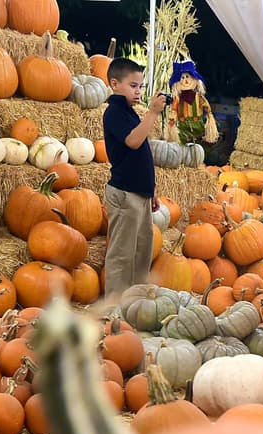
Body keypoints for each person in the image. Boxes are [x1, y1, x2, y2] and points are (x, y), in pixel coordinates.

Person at [102, 57, 167, 301]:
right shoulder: (114, 112)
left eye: (140, 86)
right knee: (122, 253)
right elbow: (133, 141)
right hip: (124, 194)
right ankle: (115, 306)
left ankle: (136, 303)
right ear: (115, 84)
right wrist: (152, 112)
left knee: (141, 251)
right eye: (133, 86)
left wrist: (150, 190)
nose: (138, 91)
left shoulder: (129, 113)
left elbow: (141, 158)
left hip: (139, 194)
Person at [163, 59, 219, 146]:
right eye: (182, 77)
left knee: (198, 145)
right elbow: (173, 110)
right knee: (183, 146)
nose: (186, 80)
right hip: (183, 127)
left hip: (197, 125)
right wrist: (171, 120)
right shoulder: (177, 99)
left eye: (187, 76)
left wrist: (209, 116)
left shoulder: (198, 97)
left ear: (194, 79)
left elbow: (207, 107)